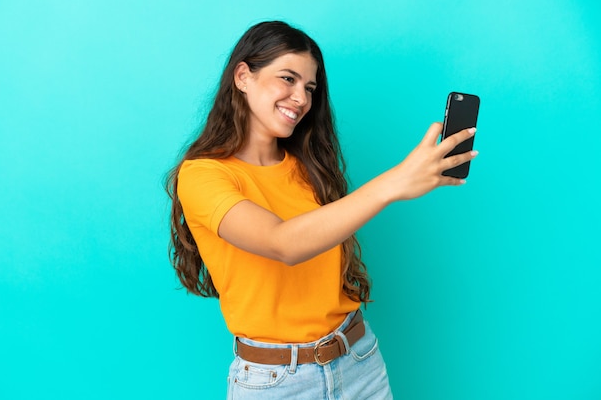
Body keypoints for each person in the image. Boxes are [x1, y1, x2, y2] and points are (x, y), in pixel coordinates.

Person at [165, 20, 477, 399]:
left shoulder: (308, 167)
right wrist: (393, 183)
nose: (301, 98)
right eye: (288, 79)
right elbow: (283, 243)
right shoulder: (202, 176)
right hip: (276, 383)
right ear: (243, 76)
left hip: (359, 361)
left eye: (310, 88)